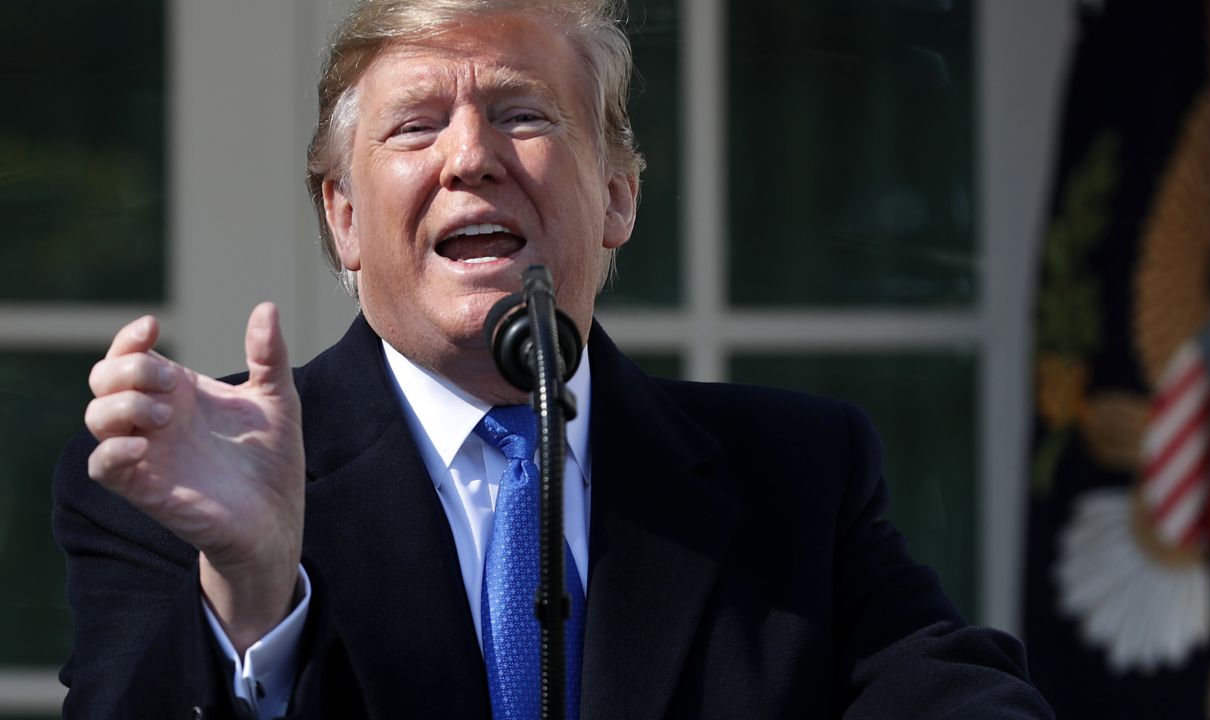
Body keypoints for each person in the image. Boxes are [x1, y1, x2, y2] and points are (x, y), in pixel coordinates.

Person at [53, 0, 1055, 717]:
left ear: (617, 194)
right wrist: (248, 590)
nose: (469, 156)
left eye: (522, 114)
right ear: (344, 217)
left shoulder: (796, 470)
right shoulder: (184, 490)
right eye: (414, 127)